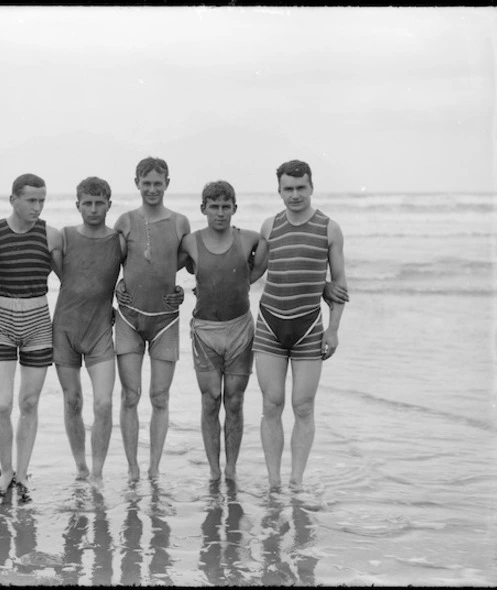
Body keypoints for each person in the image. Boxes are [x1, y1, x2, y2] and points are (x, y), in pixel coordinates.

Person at [253, 159, 348, 490]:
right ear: (279, 190)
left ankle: (296, 480)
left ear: (311, 187)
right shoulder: (269, 227)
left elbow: (338, 285)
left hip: (309, 327)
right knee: (271, 403)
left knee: (303, 406)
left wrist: (333, 329)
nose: (295, 195)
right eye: (288, 189)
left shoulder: (329, 228)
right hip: (269, 324)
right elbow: (253, 273)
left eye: (301, 188)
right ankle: (274, 481)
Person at [0, 173, 63, 500]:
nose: (37, 207)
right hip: (0, 320)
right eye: (31, 200)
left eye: (42, 200)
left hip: (39, 322)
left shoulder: (51, 236)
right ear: (13, 199)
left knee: (28, 402)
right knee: (1, 403)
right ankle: (5, 470)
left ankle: (22, 473)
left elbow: (72, 281)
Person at [180, 181, 265, 483]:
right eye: (213, 207)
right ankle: (214, 470)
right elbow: (165, 269)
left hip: (240, 329)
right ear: (203, 209)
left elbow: (257, 270)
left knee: (235, 401)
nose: (220, 213)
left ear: (234, 209)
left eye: (225, 207)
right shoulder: (191, 242)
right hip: (205, 332)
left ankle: (231, 468)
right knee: (210, 398)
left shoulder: (251, 239)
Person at [113, 156, 190, 481]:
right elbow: (111, 262)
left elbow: (191, 260)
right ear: (137, 184)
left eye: (158, 183)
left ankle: (154, 468)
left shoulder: (180, 222)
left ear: (168, 184)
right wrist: (117, 284)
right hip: (129, 319)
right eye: (146, 183)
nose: (152, 189)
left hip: (166, 321)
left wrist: (185, 291)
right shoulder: (126, 221)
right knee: (130, 395)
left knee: (160, 396)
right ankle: (132, 468)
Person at [50, 177, 125, 483]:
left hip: (100, 332)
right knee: (72, 400)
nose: (93, 209)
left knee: (104, 403)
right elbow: (36, 268)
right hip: (65, 329)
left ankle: (97, 471)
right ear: (77, 205)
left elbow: (141, 274)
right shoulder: (64, 237)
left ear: (109, 204)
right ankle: (80, 466)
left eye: (99, 203)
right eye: (87, 203)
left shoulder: (118, 241)